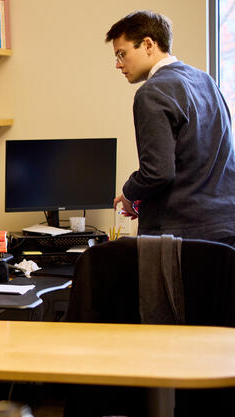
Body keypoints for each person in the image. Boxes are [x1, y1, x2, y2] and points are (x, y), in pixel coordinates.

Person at [107, 10, 235, 247]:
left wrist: (129, 195)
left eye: (122, 54)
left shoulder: (152, 92)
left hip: (181, 238)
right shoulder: (206, 81)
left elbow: (157, 173)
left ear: (148, 44)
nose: (118, 64)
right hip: (225, 230)